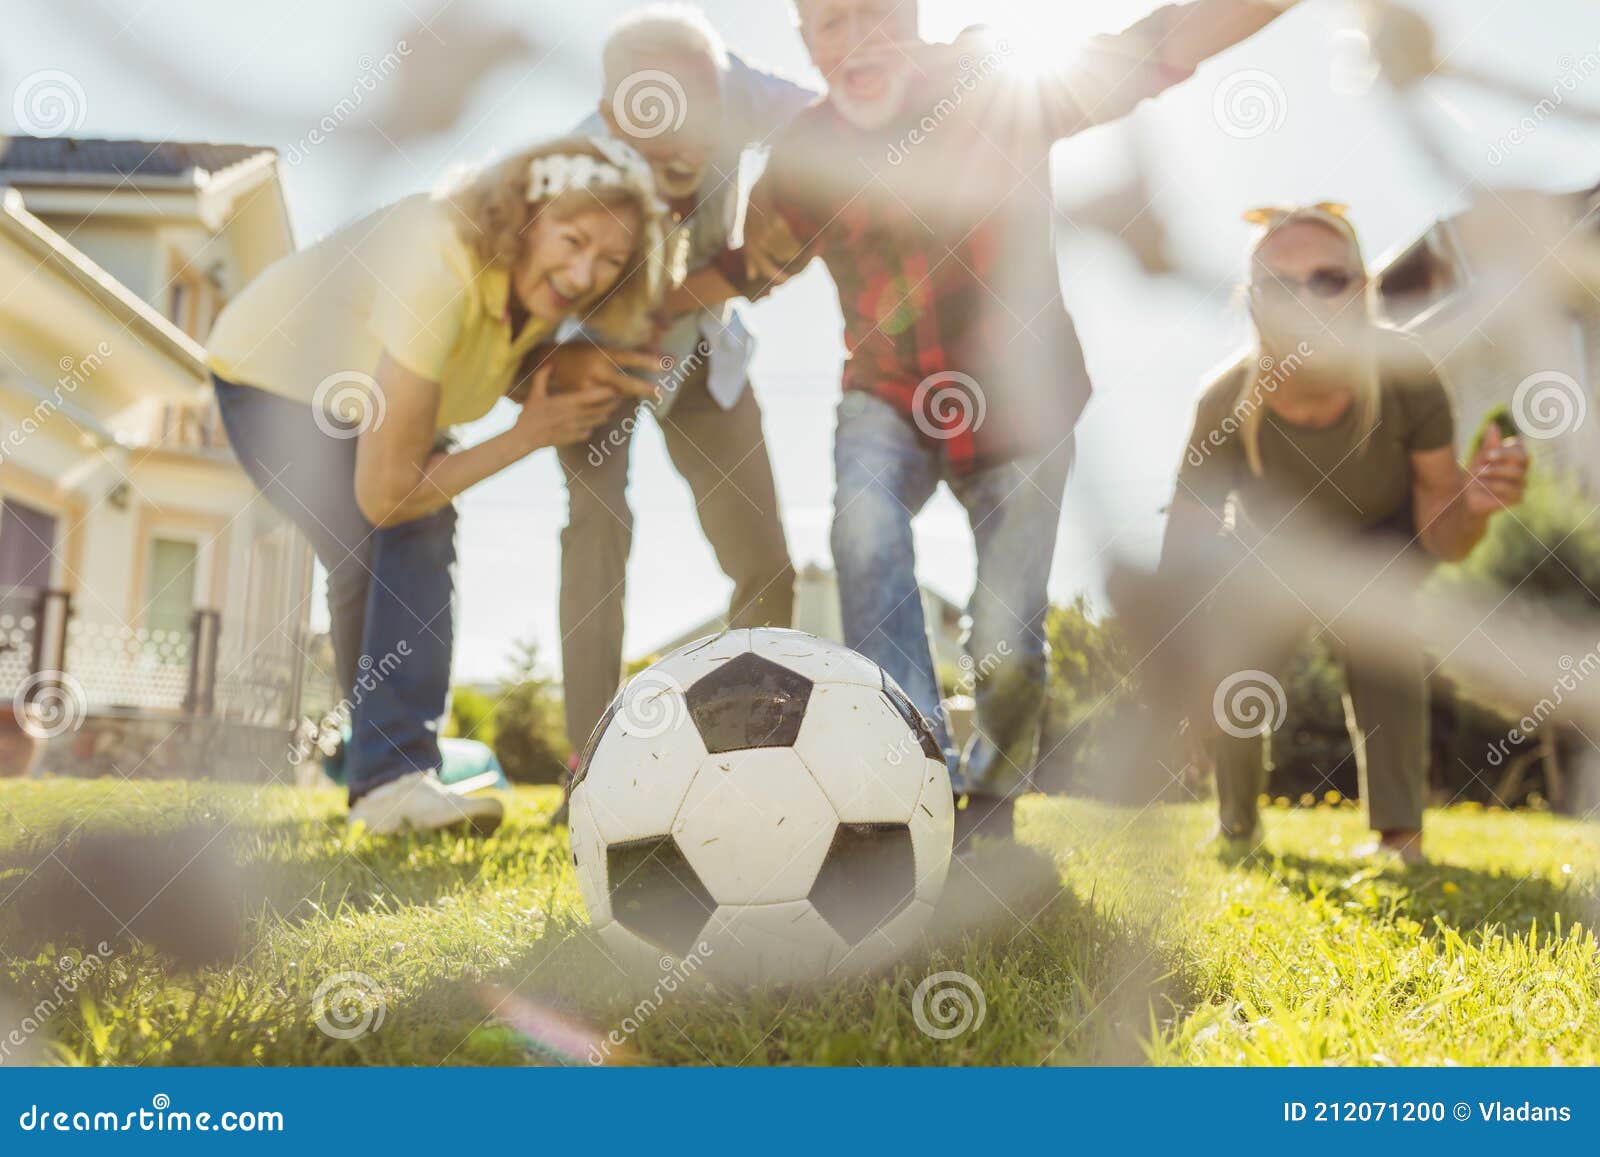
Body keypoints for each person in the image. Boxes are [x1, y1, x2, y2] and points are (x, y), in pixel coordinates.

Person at [719, 0, 1297, 847]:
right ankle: (913, 772)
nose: (855, 41)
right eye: (829, 26)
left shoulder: (992, 84)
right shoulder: (806, 152)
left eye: (873, 15)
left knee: (1009, 643)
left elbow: (1156, 46)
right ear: (807, 46)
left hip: (1025, 409)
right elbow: (744, 267)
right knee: (866, 526)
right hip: (889, 396)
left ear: (913, 17)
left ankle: (991, 801)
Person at [207, 137, 675, 834]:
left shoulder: (532, 283)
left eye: (609, 261)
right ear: (524, 215)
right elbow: (389, 492)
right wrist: (529, 433)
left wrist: (580, 369)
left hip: (366, 400)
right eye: (574, 240)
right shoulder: (439, 258)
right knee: (409, 521)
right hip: (274, 382)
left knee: (375, 552)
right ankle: (390, 775)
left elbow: (491, 360)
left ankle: (372, 769)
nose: (583, 274)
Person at [1159, 203, 1529, 863]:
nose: (1305, 301)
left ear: (1362, 291)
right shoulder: (1222, 402)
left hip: (1376, 548)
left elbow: (1446, 540)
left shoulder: (1407, 377)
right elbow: (1183, 549)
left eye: (1328, 280)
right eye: (1279, 285)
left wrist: (1471, 507)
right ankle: (1238, 827)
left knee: (1386, 635)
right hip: (1265, 559)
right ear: (1252, 302)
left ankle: (1398, 838)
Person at [535, 7, 817, 777]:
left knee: (763, 556)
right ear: (618, 114)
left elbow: (839, 128)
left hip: (704, 357)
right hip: (595, 349)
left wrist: (780, 202)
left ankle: (756, 746)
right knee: (598, 526)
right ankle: (588, 761)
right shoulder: (575, 165)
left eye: (709, 119)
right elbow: (605, 307)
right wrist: (731, 272)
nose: (696, 144)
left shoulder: (742, 90)